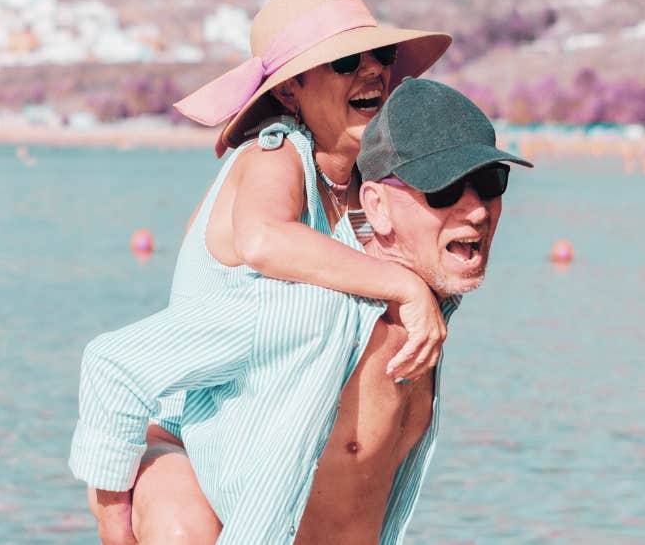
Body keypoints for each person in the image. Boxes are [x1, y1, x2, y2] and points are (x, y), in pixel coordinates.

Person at [69, 0, 456, 543]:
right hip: (191, 444)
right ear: (291, 92)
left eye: (383, 55)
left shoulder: (359, 189)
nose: (372, 70)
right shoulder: (276, 154)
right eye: (347, 60)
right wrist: (406, 288)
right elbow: (263, 238)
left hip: (263, 461)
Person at [119, 79, 531, 544]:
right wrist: (115, 521)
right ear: (376, 206)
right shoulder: (309, 309)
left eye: (491, 181)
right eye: (445, 190)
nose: (476, 210)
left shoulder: (430, 313)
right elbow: (118, 372)